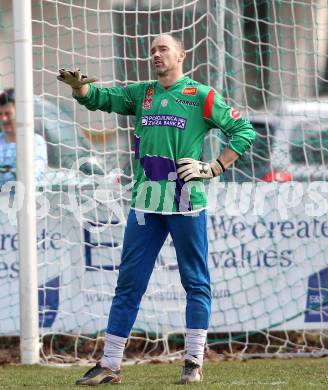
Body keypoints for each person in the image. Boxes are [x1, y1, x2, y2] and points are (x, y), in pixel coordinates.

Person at [57, 34, 256, 385]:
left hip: (185, 202)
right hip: (145, 202)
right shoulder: (142, 93)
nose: (155, 53)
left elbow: (243, 131)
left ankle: (193, 363)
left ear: (182, 54)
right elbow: (105, 99)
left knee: (195, 282)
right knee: (128, 284)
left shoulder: (202, 96)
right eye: (152, 49)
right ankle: (110, 364)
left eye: (163, 48)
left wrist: (213, 168)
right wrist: (82, 91)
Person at [0, 88, 48, 186]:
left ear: (21, 113)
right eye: (0, 114)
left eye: (8, 114)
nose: (3, 119)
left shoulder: (35, 142)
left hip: (24, 199)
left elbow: (30, 177)